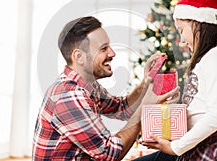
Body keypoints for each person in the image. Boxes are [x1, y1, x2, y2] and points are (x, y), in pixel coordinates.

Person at [32, 16, 179, 160]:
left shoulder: (87, 85)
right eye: (103, 49)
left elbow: (122, 109)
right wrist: (145, 111)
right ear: (79, 57)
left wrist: (145, 83)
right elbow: (109, 154)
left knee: (171, 155)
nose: (112, 53)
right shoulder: (69, 95)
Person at [137, 0, 217, 160]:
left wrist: (176, 147)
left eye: (182, 30)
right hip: (199, 145)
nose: (182, 39)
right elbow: (201, 108)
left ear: (197, 24)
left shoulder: (216, 58)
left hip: (215, 146)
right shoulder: (206, 59)